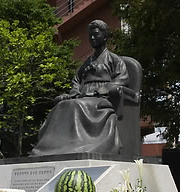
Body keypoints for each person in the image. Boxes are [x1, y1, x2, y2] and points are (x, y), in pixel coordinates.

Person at [30, 20, 130, 156]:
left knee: (78, 106)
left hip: (101, 98)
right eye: (90, 35)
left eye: (95, 34)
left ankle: (82, 145)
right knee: (62, 105)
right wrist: (74, 93)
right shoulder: (86, 63)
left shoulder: (114, 60)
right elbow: (76, 81)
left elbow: (122, 79)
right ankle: (51, 149)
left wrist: (98, 91)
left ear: (105, 37)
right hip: (82, 96)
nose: (92, 38)